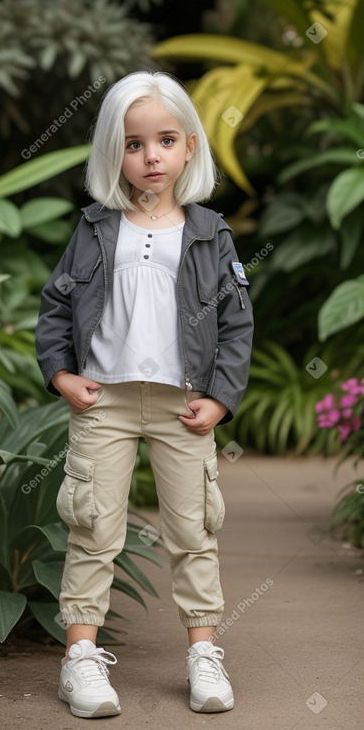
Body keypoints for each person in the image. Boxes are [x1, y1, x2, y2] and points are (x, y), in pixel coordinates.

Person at [35, 70, 254, 719]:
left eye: (163, 140)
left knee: (193, 530)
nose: (149, 156)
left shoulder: (210, 231)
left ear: (188, 146)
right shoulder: (96, 228)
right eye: (133, 144)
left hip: (182, 405)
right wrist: (60, 373)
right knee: (93, 525)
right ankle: (80, 660)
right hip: (101, 401)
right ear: (114, 152)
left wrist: (220, 398)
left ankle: (204, 656)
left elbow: (237, 321)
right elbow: (55, 307)